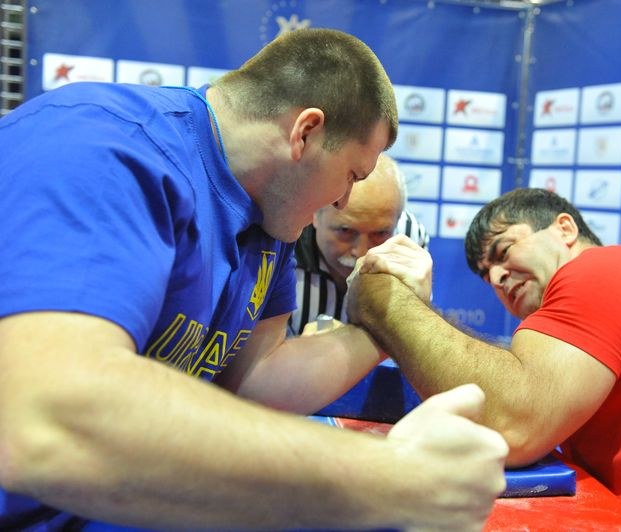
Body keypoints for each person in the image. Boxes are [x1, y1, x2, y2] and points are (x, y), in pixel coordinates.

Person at [0, 28, 508, 531]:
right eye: (352, 175)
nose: (341, 203)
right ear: (305, 133)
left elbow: (254, 381)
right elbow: (49, 420)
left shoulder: (271, 213)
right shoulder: (102, 146)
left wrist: (382, 323)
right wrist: (390, 476)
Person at [345, 187, 621, 530]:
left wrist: (381, 298)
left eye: (503, 251)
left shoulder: (603, 269)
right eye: (488, 276)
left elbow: (515, 423)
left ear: (564, 229)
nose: (499, 277)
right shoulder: (578, 324)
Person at [290, 153, 429, 335]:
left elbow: (412, 335)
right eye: (345, 231)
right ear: (315, 213)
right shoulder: (284, 241)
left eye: (380, 233)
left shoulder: (409, 239)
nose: (362, 253)